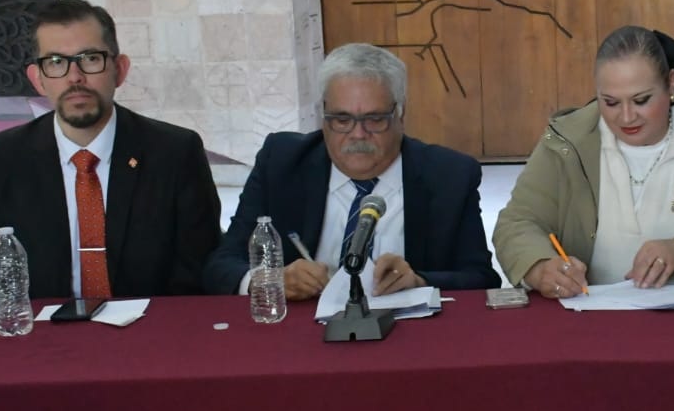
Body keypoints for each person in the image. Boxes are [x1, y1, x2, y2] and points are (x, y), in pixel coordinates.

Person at [0, 0, 221, 317]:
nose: (75, 77)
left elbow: (196, 277)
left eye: (90, 59)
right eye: (56, 62)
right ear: (38, 78)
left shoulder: (175, 152)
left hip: (152, 332)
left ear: (119, 70)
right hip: (44, 338)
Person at [494, 26, 674, 297]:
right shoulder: (567, 143)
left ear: (671, 83)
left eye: (641, 100)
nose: (626, 117)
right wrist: (540, 267)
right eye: (610, 102)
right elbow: (516, 223)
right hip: (586, 320)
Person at [203, 43, 499, 298]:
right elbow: (221, 265)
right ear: (323, 115)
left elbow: (481, 278)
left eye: (374, 119)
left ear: (401, 114)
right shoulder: (282, 162)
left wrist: (420, 281)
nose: (358, 134)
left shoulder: (450, 176)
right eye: (342, 120)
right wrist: (269, 280)